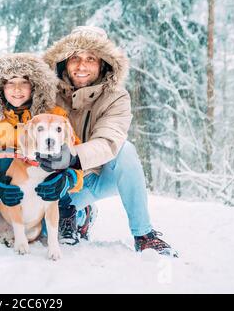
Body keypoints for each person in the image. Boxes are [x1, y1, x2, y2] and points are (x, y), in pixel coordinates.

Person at [39, 26, 178, 257]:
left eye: (90, 59)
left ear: (103, 63)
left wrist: (72, 156)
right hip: (60, 185)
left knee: (126, 150)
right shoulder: (48, 95)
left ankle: (143, 235)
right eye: (75, 58)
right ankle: (78, 214)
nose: (81, 66)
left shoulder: (117, 97)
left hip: (98, 177)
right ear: (64, 61)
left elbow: (108, 140)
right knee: (41, 231)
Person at [0, 53, 84, 225]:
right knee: (4, 155)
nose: (17, 89)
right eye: (10, 83)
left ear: (35, 86)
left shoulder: (54, 116)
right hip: (17, 189)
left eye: (24, 83)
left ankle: (76, 213)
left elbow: (76, 152)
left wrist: (70, 178)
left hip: (50, 190)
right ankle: (12, 217)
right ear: (0, 88)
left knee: (49, 228)